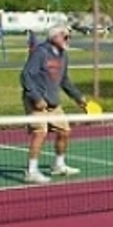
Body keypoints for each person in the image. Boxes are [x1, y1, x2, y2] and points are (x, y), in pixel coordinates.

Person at [20, 24, 88, 184]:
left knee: (64, 131)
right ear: (55, 37)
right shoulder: (40, 52)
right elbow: (26, 76)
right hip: (35, 101)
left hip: (53, 102)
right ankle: (31, 171)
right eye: (65, 36)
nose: (68, 39)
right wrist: (36, 98)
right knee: (40, 132)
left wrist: (78, 97)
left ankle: (59, 165)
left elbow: (64, 80)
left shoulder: (63, 55)